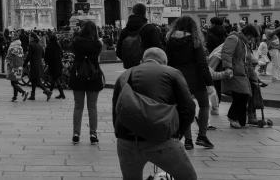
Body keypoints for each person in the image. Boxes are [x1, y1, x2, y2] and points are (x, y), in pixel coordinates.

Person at [112, 48, 197, 180]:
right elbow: (188, 107)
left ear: (143, 60)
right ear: (164, 62)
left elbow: (116, 110)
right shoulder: (172, 73)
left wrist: (121, 136)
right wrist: (177, 133)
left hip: (127, 141)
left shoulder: (125, 76)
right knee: (189, 177)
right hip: (161, 140)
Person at [165, 16, 215, 149]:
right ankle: (202, 136)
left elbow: (168, 62)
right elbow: (202, 63)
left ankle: (188, 140)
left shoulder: (170, 40)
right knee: (204, 105)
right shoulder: (194, 39)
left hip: (178, 78)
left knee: (184, 108)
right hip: (195, 79)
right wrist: (209, 83)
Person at [69, 20, 104, 144]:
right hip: (93, 77)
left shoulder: (76, 43)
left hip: (78, 76)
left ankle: (76, 133)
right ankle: (93, 134)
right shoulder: (98, 45)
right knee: (92, 107)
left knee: (78, 106)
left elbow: (72, 47)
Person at [220, 24, 260, 128]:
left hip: (242, 72)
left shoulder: (244, 43)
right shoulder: (234, 38)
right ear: (247, 33)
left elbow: (248, 62)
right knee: (240, 94)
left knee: (243, 95)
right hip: (235, 71)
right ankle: (232, 116)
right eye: (251, 36)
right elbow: (226, 54)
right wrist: (228, 67)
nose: (251, 39)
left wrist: (255, 78)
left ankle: (241, 120)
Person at [115, 2, 164, 69]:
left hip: (132, 69)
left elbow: (118, 52)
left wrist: (130, 62)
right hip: (148, 68)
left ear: (133, 12)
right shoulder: (150, 29)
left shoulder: (125, 31)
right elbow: (158, 50)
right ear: (145, 13)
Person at [24, 31, 50, 100]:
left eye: (30, 37)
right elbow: (43, 55)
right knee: (33, 80)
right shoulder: (40, 45)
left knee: (37, 81)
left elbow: (29, 56)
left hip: (33, 65)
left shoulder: (31, 45)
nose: (29, 38)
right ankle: (33, 95)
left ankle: (47, 92)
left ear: (32, 37)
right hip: (39, 64)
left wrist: (24, 64)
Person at [5, 32, 28, 102]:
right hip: (20, 66)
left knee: (13, 82)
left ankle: (23, 92)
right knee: (15, 82)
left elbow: (8, 57)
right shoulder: (20, 47)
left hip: (13, 66)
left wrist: (8, 64)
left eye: (12, 37)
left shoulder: (12, 47)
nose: (11, 38)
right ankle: (15, 97)